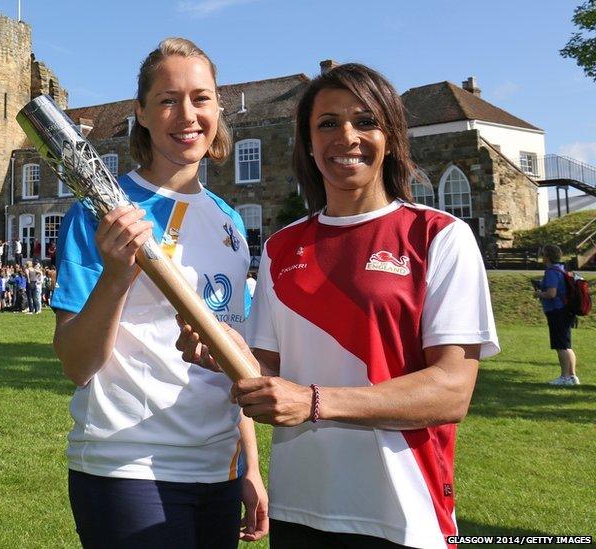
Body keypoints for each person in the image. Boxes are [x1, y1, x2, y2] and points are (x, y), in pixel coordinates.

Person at [176, 63, 500, 548]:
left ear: (390, 135)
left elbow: (451, 391)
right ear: (308, 142)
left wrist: (313, 403)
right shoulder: (282, 248)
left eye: (365, 121)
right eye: (327, 123)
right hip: (301, 507)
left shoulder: (437, 237)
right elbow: (264, 367)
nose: (346, 136)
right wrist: (219, 351)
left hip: (404, 513)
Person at [52, 38, 266, 548]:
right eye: (168, 100)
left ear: (218, 107)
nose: (186, 114)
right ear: (141, 114)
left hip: (218, 470)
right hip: (128, 464)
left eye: (201, 98)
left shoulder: (230, 221)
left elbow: (229, 347)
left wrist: (250, 465)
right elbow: (76, 363)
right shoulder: (102, 213)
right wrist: (116, 275)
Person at [536, 244, 580, 386]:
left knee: (560, 346)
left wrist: (538, 293)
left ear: (547, 256)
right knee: (566, 345)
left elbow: (551, 293)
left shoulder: (551, 272)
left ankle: (564, 377)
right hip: (565, 311)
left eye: (543, 254)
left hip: (557, 312)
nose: (542, 257)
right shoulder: (561, 269)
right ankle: (572, 376)